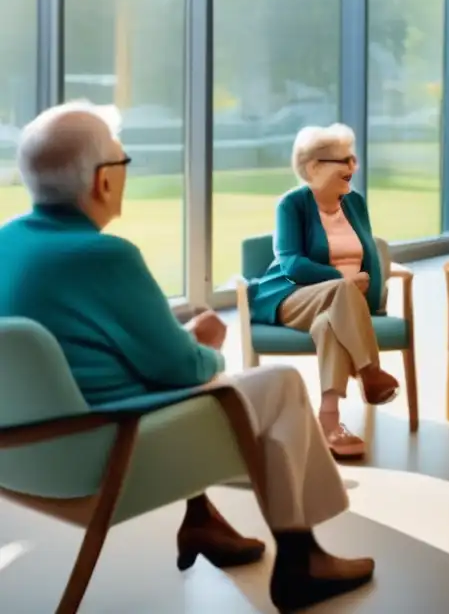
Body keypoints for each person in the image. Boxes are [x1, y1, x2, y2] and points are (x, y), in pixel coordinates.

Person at [0, 102, 373, 612]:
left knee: (153, 373)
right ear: (102, 181)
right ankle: (300, 558)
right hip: (108, 456)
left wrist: (174, 343)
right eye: (122, 162)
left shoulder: (7, 242)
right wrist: (202, 339)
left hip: (24, 454)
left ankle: (202, 522)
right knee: (281, 385)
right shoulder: (106, 256)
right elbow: (186, 368)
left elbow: (77, 346)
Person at [247, 124, 399, 460]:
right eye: (344, 160)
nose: (352, 167)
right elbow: (290, 263)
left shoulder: (354, 203)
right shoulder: (292, 204)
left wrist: (365, 293)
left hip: (345, 306)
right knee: (341, 292)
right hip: (293, 296)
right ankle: (370, 371)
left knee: (329, 327)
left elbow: (370, 257)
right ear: (314, 167)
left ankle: (329, 420)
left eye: (354, 159)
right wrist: (339, 280)